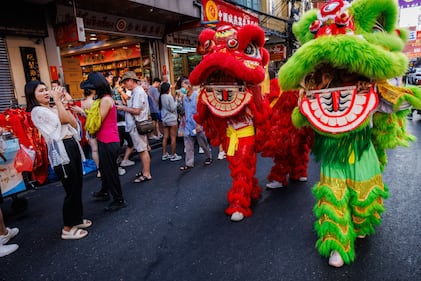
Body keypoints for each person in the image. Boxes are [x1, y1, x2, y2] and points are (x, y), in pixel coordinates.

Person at [25, 80, 91, 239]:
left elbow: (73, 123)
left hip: (71, 144)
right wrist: (60, 102)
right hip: (61, 150)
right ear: (32, 95)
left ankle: (76, 219)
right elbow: (62, 120)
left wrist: (59, 104)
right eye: (41, 91)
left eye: (46, 89)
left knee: (78, 184)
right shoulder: (37, 111)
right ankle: (67, 228)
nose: (46, 92)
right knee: (71, 188)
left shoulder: (52, 108)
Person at [80, 72, 127, 211]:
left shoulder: (106, 100)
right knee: (106, 169)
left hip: (108, 140)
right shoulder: (103, 99)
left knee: (110, 171)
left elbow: (97, 121)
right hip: (106, 139)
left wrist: (84, 113)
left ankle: (119, 199)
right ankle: (104, 191)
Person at [117, 71, 152, 183]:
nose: (124, 85)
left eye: (125, 82)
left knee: (142, 150)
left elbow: (136, 111)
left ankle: (146, 173)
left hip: (138, 124)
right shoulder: (136, 92)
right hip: (137, 124)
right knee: (142, 149)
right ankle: (145, 171)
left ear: (131, 81)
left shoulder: (138, 92)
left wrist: (122, 108)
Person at [179, 79, 212, 171]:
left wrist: (198, 124)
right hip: (188, 124)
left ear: (189, 86)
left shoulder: (197, 96)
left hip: (197, 123)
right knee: (188, 143)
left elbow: (200, 112)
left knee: (202, 142)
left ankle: (208, 156)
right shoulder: (184, 98)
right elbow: (184, 112)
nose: (182, 89)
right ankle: (189, 163)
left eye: (183, 87)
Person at [112, 76, 135, 169]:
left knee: (120, 143)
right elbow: (127, 99)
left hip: (117, 121)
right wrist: (122, 93)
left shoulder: (112, 92)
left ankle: (117, 158)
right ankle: (124, 160)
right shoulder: (119, 90)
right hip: (122, 119)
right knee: (130, 142)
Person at [80, 88, 101, 178]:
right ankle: (103, 169)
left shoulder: (82, 103)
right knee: (100, 149)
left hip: (88, 127)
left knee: (94, 150)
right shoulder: (94, 102)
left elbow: (83, 115)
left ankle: (99, 170)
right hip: (96, 127)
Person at [159, 82, 182, 161]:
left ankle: (164, 154)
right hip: (171, 119)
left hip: (164, 119)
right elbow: (172, 108)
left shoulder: (161, 96)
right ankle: (173, 155)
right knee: (173, 137)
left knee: (165, 137)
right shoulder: (169, 97)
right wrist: (176, 101)